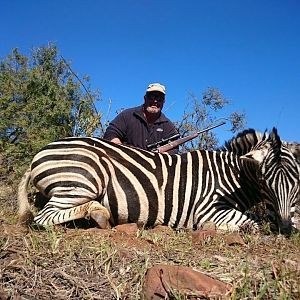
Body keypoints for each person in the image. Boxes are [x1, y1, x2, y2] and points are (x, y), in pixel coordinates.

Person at [103, 82, 179, 154]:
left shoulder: (168, 127)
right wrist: (121, 151)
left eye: (159, 99)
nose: (155, 101)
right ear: (145, 98)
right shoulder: (127, 115)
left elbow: (174, 149)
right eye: (152, 97)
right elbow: (111, 133)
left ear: (163, 102)